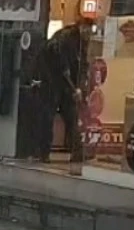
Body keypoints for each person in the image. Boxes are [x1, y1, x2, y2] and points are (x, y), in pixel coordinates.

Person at [31, 19, 91, 171]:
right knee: (48, 117)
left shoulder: (82, 43)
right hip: (52, 81)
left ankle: (76, 152)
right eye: (86, 30)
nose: (88, 34)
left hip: (65, 85)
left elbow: (82, 65)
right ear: (81, 26)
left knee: (71, 117)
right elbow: (62, 63)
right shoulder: (66, 37)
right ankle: (43, 152)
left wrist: (79, 88)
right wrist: (73, 86)